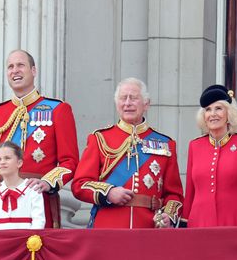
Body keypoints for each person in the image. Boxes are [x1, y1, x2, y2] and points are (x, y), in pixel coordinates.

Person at [71, 77, 184, 228]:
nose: (127, 103)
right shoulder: (100, 138)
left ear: (146, 104)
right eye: (123, 98)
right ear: (117, 104)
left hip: (148, 228)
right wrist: (108, 193)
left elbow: (174, 194)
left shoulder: (165, 143)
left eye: (134, 98)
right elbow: (80, 184)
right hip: (108, 227)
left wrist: (168, 215)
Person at [0, 49, 79, 228]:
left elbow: (69, 161)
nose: (15, 70)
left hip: (39, 199)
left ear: (33, 71)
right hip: (1, 201)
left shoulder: (58, 110)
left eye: (21, 65)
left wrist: (47, 182)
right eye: (10, 67)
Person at [181, 85, 237, 227]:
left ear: (229, 114)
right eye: (208, 110)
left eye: (218, 108)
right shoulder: (195, 146)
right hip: (199, 223)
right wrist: (184, 221)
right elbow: (190, 191)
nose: (213, 114)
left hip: (235, 221)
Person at [0, 141, 45, 230]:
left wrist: (31, 241)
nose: (2, 162)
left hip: (25, 239)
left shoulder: (32, 188)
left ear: (19, 163)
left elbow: (39, 221)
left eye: (7, 158)